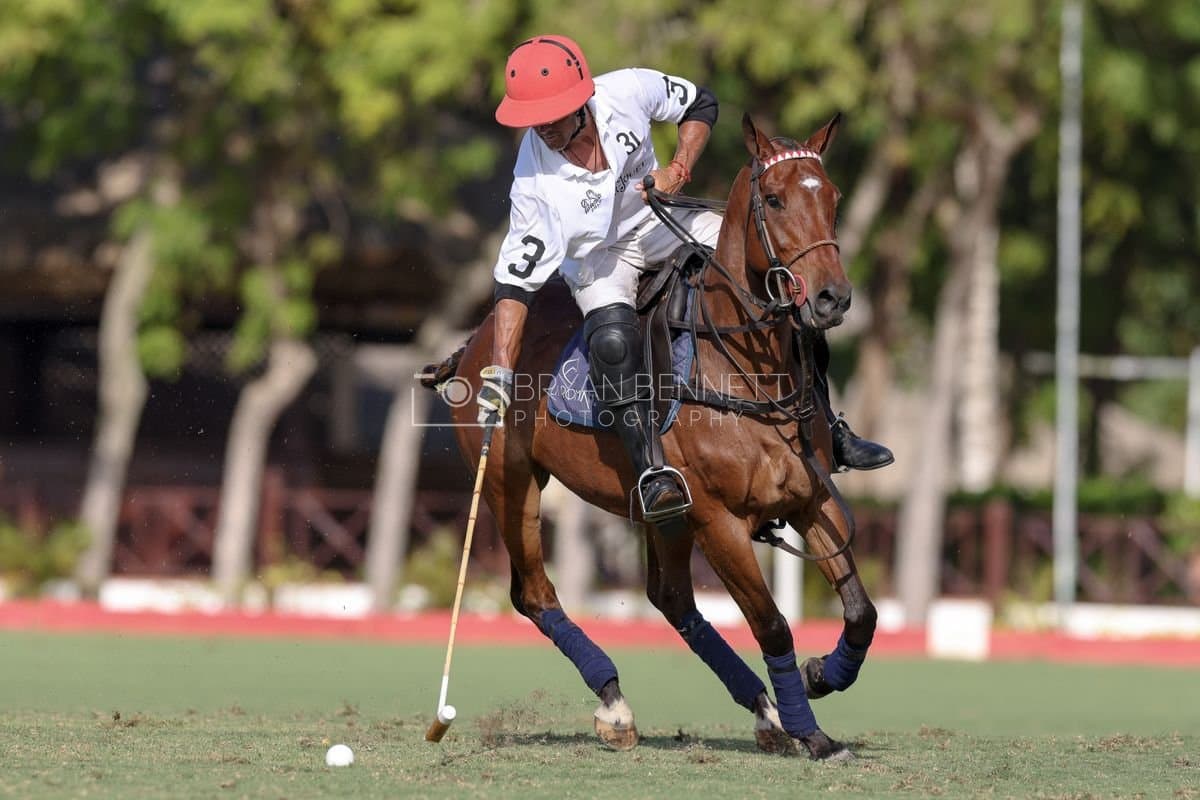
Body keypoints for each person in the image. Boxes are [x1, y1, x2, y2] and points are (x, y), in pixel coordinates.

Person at [476, 34, 891, 524]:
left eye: (552, 114)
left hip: (661, 218)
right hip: (599, 259)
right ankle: (652, 472)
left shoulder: (627, 90)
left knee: (777, 278)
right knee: (612, 341)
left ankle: (831, 430)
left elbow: (701, 103)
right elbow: (515, 284)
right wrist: (501, 371)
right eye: (533, 119)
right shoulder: (532, 183)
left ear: (583, 99)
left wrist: (679, 166)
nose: (541, 127)